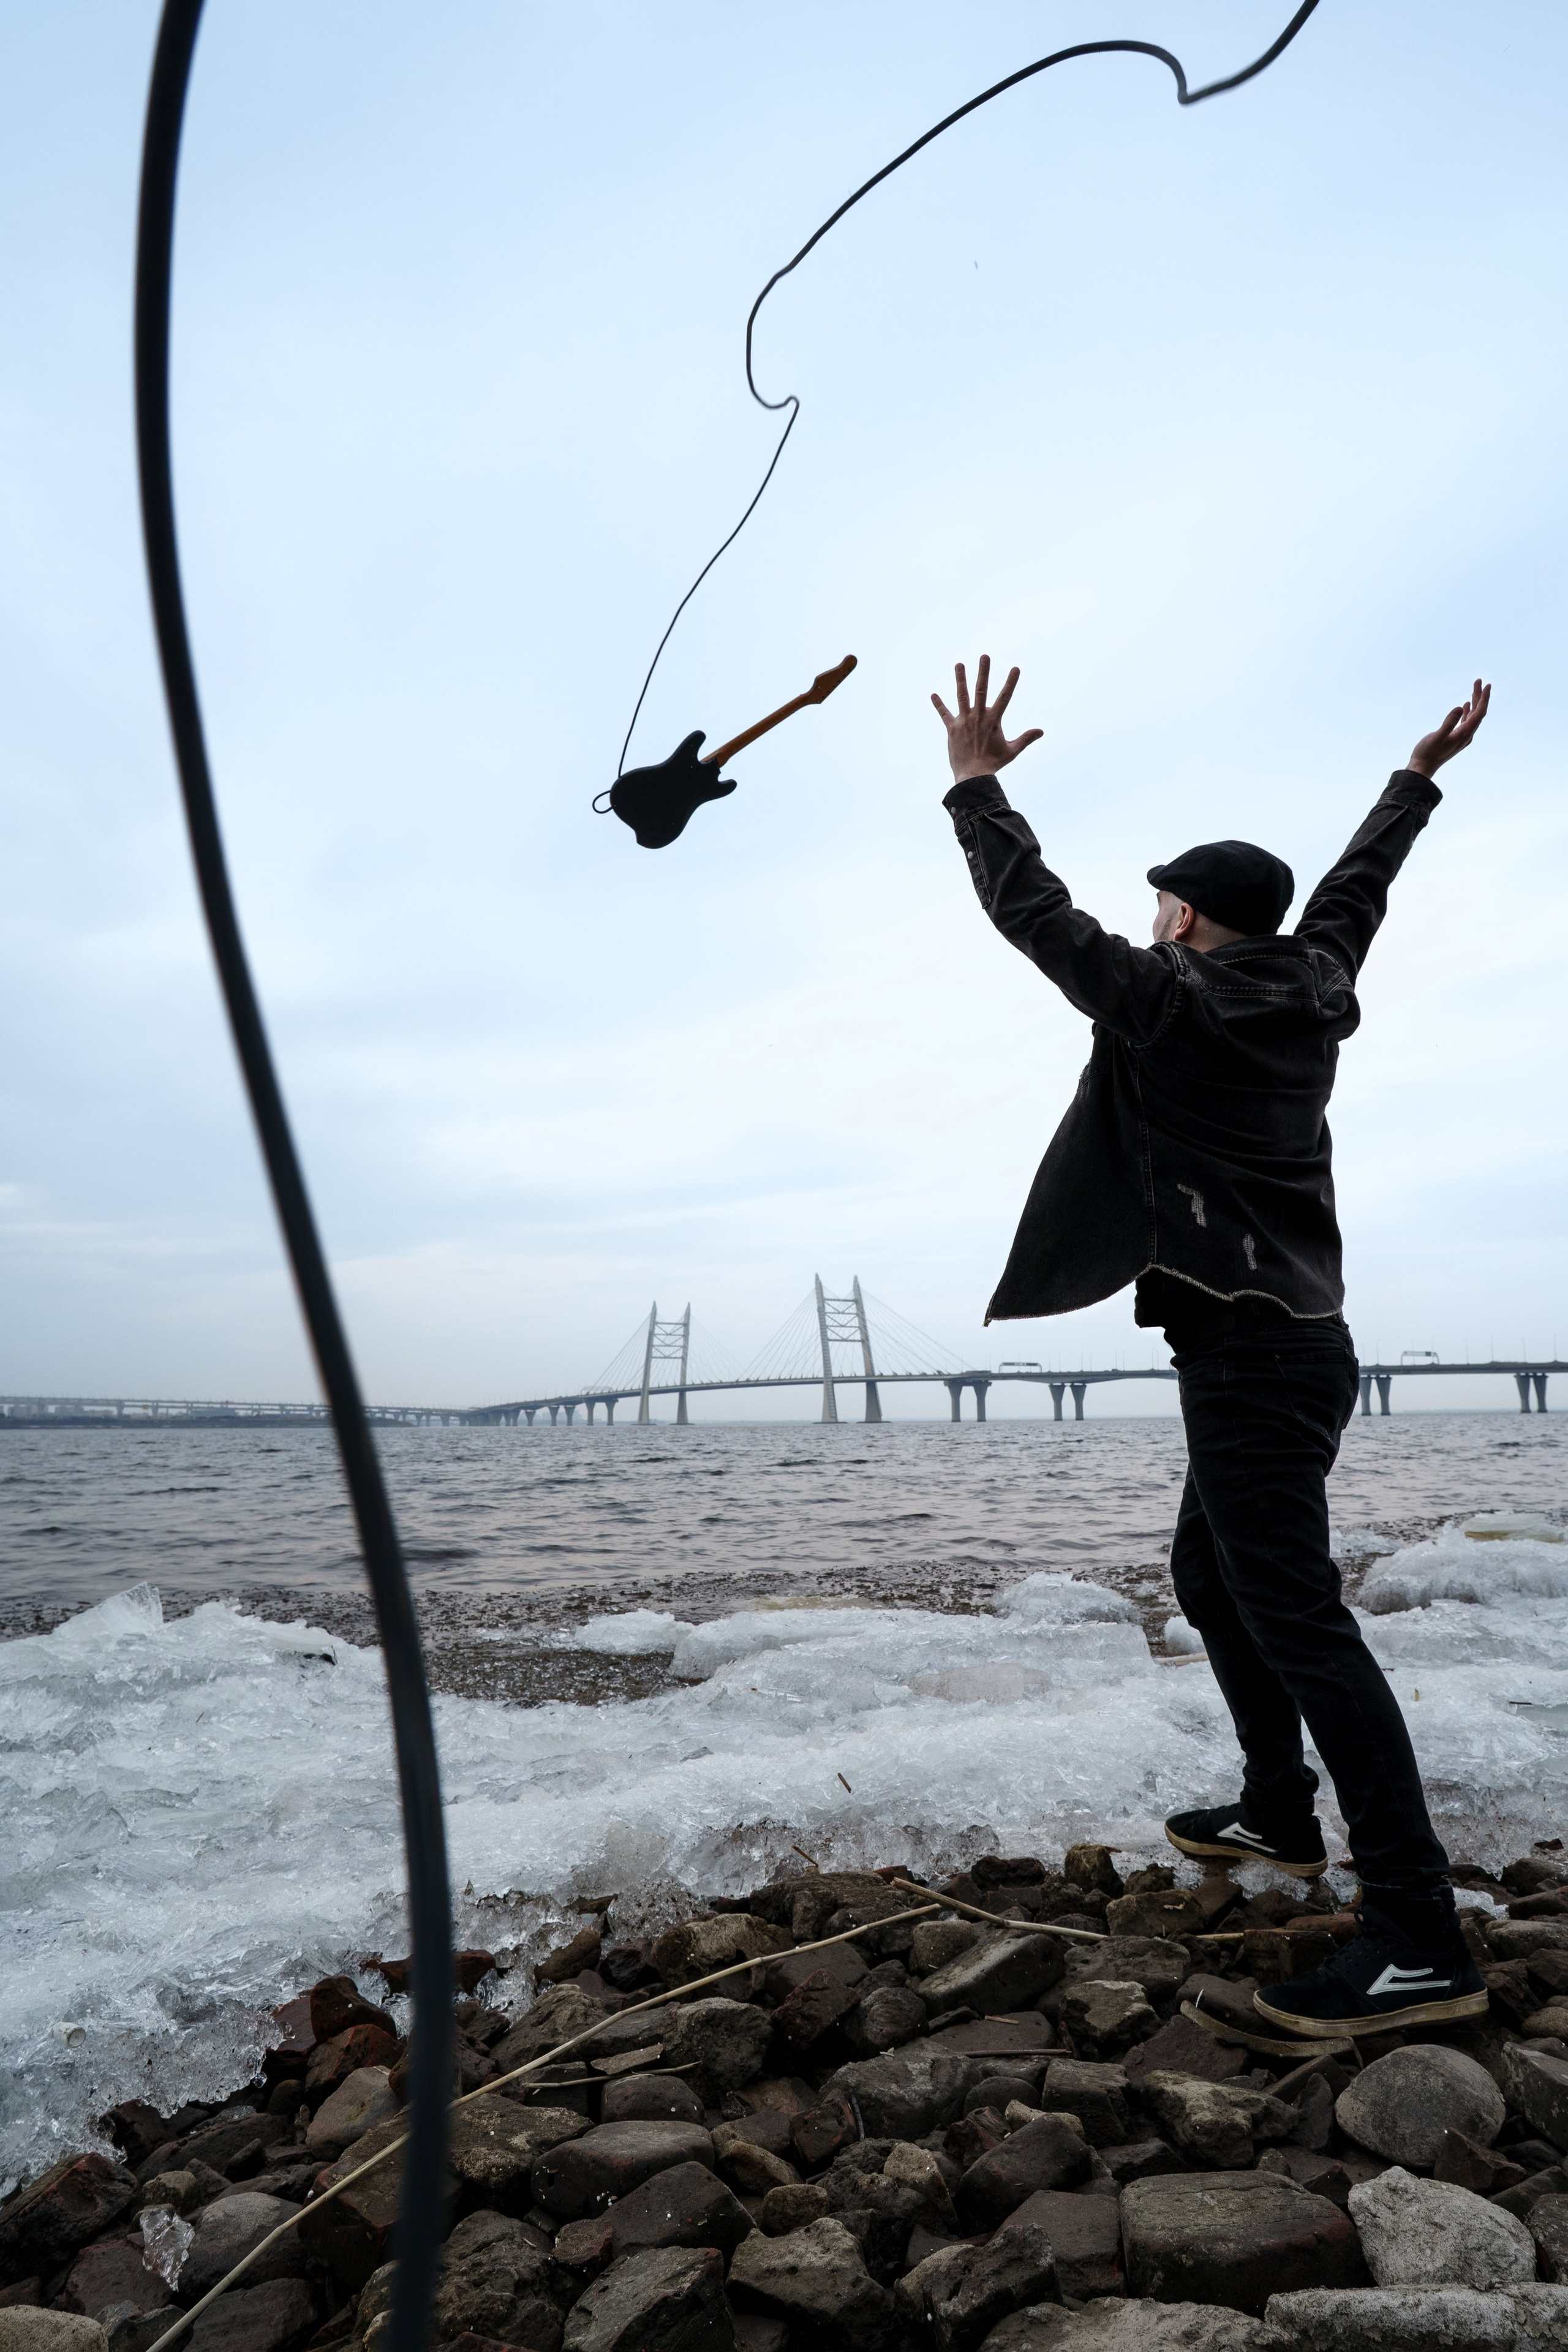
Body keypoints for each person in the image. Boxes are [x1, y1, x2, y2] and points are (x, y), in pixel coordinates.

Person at [934, 655, 1491, 2035]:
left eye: (1161, 906)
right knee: (1208, 1573)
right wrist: (1412, 782)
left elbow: (1033, 914)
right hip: (1294, 1345)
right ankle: (1274, 1811)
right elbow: (1358, 888)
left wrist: (975, 789)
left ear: (1183, 916)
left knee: (1299, 1619)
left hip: (1249, 1355)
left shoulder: (1171, 998)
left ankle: (1416, 1933)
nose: (1150, 922)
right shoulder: (1316, 977)